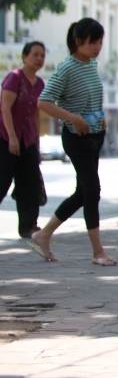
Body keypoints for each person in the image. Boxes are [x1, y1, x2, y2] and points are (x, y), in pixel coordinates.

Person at [29, 19, 116, 265]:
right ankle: (98, 252)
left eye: (100, 41)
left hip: (95, 136)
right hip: (77, 139)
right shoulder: (67, 67)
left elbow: (90, 95)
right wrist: (73, 119)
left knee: (83, 193)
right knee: (92, 191)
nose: (98, 46)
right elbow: (44, 102)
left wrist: (101, 116)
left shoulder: (91, 65)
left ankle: (43, 235)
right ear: (78, 42)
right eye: (93, 42)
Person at [0, 42, 47, 239]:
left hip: (27, 139)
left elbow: (36, 114)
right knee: (3, 180)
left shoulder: (40, 84)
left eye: (42, 56)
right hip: (6, 137)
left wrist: (36, 142)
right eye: (35, 54)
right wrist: (11, 137)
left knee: (29, 182)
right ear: (25, 57)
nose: (39, 59)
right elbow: (4, 107)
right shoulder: (15, 78)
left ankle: (29, 226)